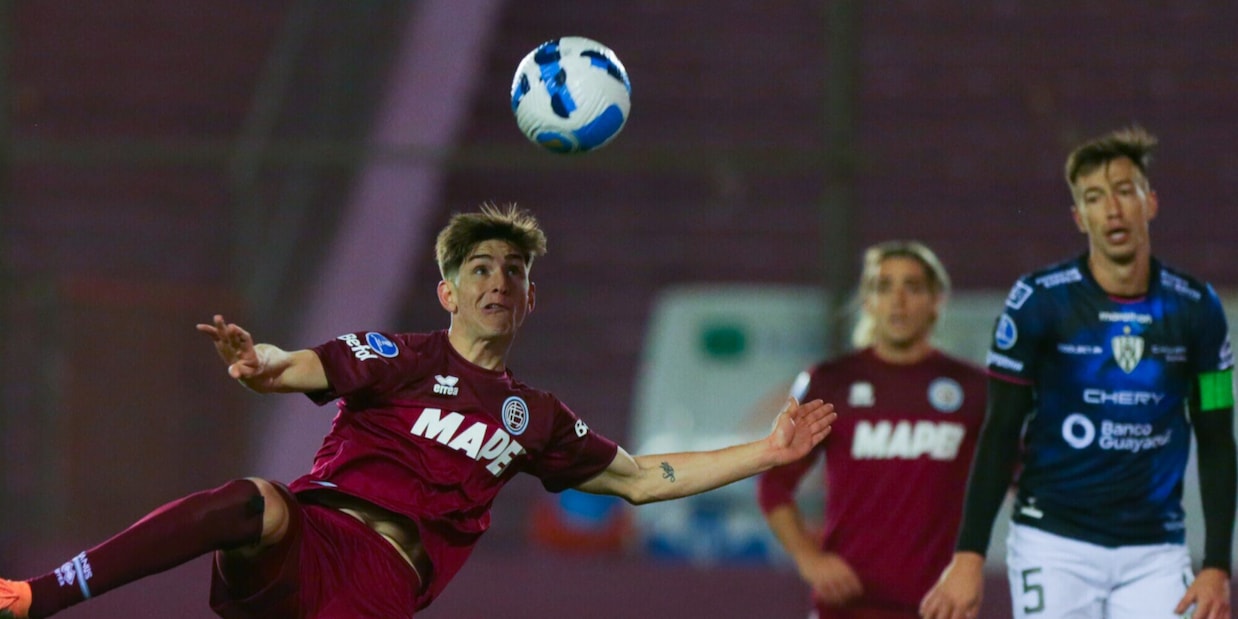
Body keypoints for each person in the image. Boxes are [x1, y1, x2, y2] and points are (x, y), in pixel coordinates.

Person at [0, 203, 837, 619]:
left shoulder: (534, 417)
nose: (497, 281)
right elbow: (298, 366)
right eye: (479, 268)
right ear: (447, 291)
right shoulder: (397, 358)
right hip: (311, 544)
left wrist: (766, 453)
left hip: (384, 588)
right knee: (253, 500)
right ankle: (41, 594)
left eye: (512, 271)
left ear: (530, 300)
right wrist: (260, 366)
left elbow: (643, 478)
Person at [920, 126, 1236, 619]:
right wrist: (969, 555)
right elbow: (1001, 430)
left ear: (1150, 203)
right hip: (1053, 543)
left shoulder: (1199, 310)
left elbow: (1217, 436)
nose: (1112, 209)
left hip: (1155, 549)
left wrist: (1217, 564)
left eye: (1124, 192)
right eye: (1094, 197)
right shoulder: (1039, 302)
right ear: (1079, 217)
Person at [756, 240, 986, 619]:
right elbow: (774, 483)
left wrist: (971, 564)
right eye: (883, 287)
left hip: (940, 608)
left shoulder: (974, 389)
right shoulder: (829, 383)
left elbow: (1022, 482)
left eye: (912, 287)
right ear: (867, 301)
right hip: (846, 609)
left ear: (936, 301)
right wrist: (808, 558)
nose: (898, 301)